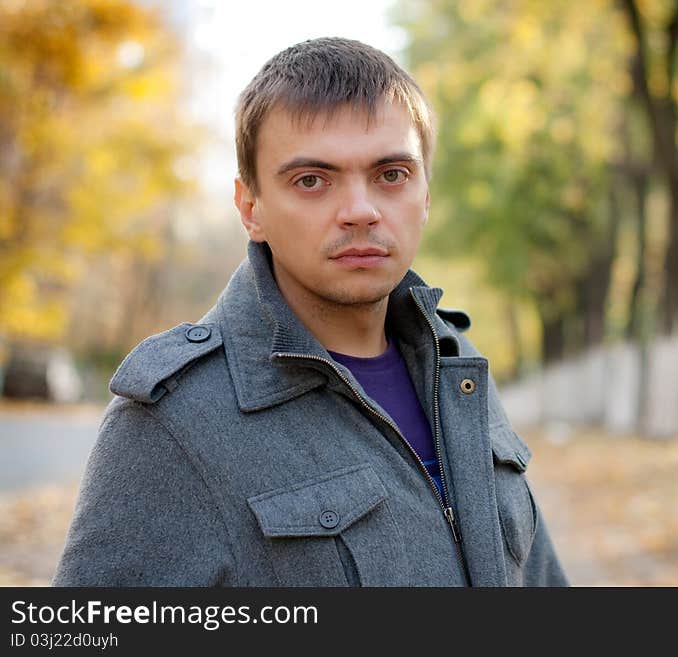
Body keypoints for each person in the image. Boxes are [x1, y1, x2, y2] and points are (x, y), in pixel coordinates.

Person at [53, 37, 569, 587]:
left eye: (391, 174)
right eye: (312, 181)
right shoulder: (176, 423)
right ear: (251, 209)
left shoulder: (458, 369)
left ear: (425, 196)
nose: (360, 211)